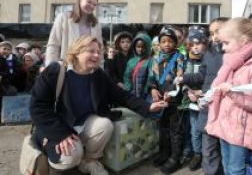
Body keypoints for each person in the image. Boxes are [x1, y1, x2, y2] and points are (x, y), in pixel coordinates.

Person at [30, 35, 167, 175]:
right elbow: (37, 106)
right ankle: (56, 168)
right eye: (91, 51)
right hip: (57, 124)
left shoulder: (97, 74)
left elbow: (120, 95)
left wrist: (147, 106)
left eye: (98, 51)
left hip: (82, 122)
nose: (96, 55)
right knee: (70, 156)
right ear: (77, 52)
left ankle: (89, 161)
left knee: (104, 125)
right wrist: (60, 134)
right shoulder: (56, 71)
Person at [205, 17, 252, 175]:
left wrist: (233, 92)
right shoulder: (231, 62)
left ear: (243, 41)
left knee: (236, 170)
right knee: (227, 167)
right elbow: (218, 88)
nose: (223, 48)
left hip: (241, 130)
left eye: (226, 43)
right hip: (224, 126)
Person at [175, 17, 229, 175]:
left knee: (224, 149)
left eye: (217, 31)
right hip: (208, 107)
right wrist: (184, 78)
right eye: (211, 32)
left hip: (224, 108)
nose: (214, 36)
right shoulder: (210, 52)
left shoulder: (234, 53)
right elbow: (201, 75)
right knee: (208, 148)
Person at [148, 27, 185, 174]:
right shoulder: (156, 58)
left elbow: (180, 78)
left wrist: (172, 93)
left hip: (175, 100)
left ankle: (175, 158)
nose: (167, 44)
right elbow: (152, 77)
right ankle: (164, 153)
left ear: (175, 43)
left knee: (175, 130)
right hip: (160, 100)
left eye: (170, 41)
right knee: (162, 128)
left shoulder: (180, 57)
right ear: (159, 43)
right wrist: (152, 89)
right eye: (163, 41)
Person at [175, 26, 208, 171]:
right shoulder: (186, 61)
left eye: (198, 44)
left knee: (206, 131)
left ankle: (207, 155)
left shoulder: (209, 60)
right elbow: (182, 81)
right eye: (192, 44)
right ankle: (197, 154)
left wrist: (200, 93)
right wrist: (187, 91)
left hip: (206, 100)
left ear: (205, 44)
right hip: (191, 102)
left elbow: (208, 79)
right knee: (194, 130)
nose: (195, 47)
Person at [45, 0, 103, 67]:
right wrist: (50, 67)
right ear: (80, 1)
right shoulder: (63, 18)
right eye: (89, 2)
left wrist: (100, 66)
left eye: (94, 5)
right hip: (67, 66)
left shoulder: (95, 23)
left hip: (88, 68)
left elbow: (99, 48)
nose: (91, 6)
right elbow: (53, 44)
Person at [123, 32, 152, 99]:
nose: (140, 49)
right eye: (138, 47)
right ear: (134, 47)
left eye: (143, 47)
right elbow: (126, 76)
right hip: (131, 93)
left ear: (148, 47)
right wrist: (128, 88)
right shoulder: (131, 61)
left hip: (145, 95)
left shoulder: (151, 61)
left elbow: (150, 77)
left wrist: (146, 91)